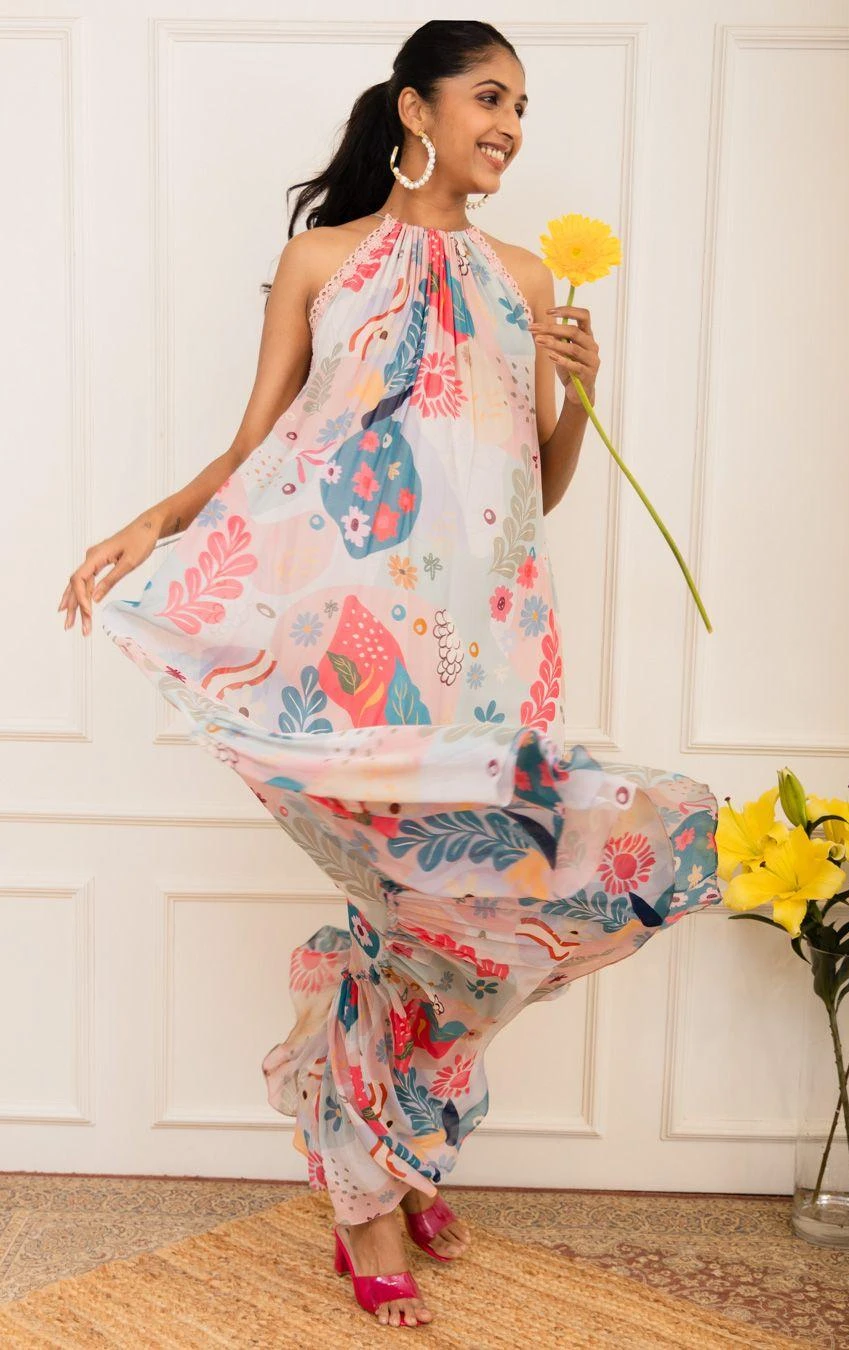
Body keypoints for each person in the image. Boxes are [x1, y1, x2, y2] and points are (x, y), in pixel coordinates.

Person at [58, 20, 722, 1332]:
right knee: (406, 901)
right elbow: (257, 448)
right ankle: (369, 1193)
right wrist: (154, 523)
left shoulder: (526, 278)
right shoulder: (322, 261)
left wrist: (582, 393)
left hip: (496, 645)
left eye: (523, 106)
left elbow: (535, 487)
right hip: (360, 652)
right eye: (490, 96)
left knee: (480, 905)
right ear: (416, 107)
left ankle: (395, 1144)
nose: (511, 125)